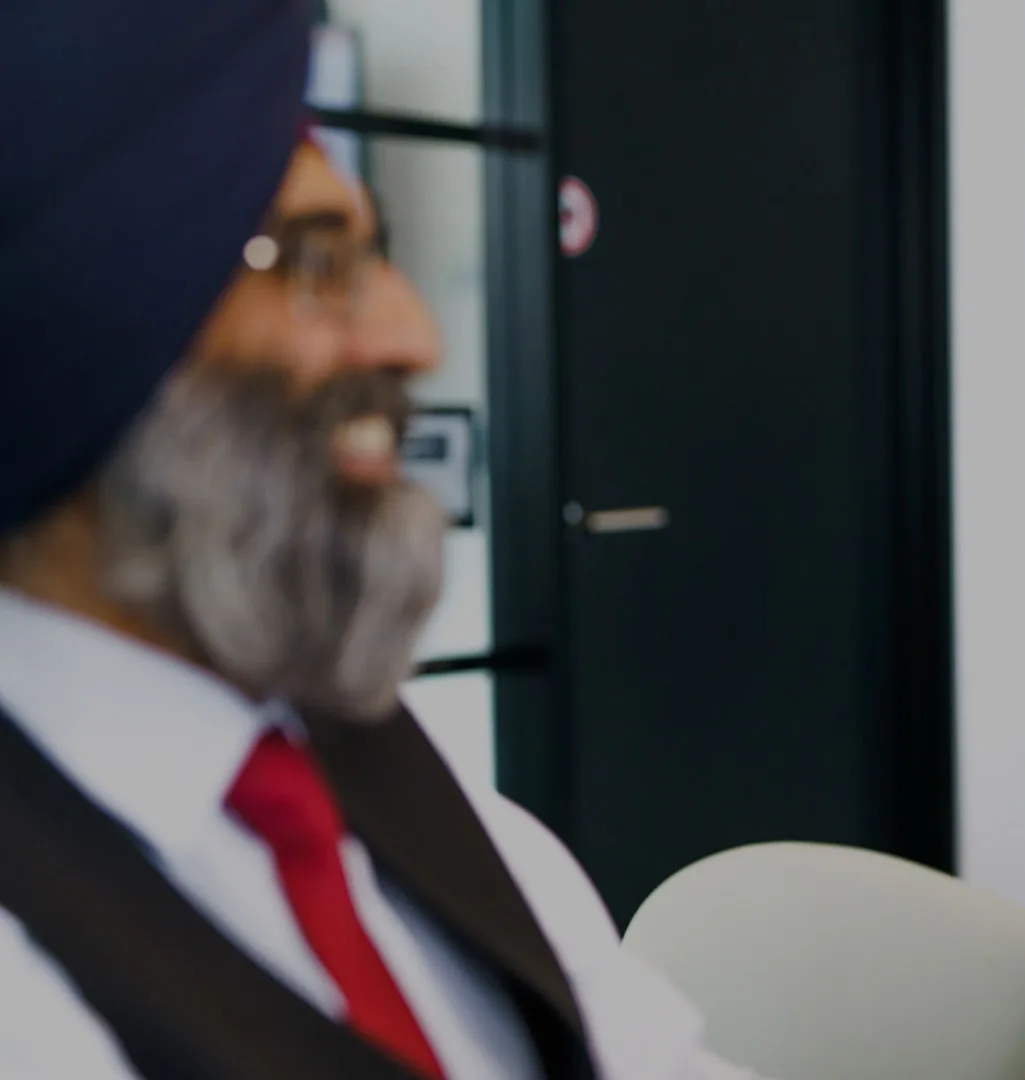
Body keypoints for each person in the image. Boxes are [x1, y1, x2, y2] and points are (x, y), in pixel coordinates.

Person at [0, 2, 759, 1077]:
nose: (415, 336)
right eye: (314, 262)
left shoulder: (377, 753)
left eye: (375, 252)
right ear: (84, 308)